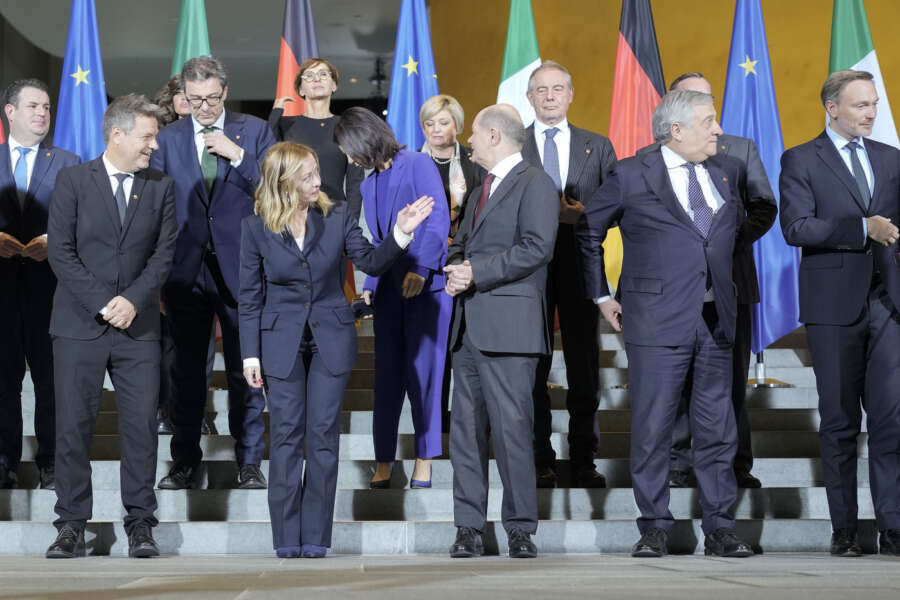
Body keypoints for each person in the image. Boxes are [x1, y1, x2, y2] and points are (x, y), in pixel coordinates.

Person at [578, 90, 753, 558]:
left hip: (716, 320)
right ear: (676, 130)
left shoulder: (727, 170)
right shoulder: (632, 173)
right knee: (654, 428)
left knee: (718, 430)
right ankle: (654, 526)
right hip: (655, 319)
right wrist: (601, 296)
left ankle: (720, 528)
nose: (718, 130)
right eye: (708, 121)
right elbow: (588, 231)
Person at [239, 142, 434, 559]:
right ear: (284, 183)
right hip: (280, 341)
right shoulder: (254, 228)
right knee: (286, 435)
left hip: (330, 336)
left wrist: (401, 233)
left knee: (323, 435)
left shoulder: (337, 214)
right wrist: (249, 354)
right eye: (307, 176)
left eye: (316, 172)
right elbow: (249, 296)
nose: (318, 182)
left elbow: (371, 261)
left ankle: (315, 537)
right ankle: (286, 538)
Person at [45, 94, 176, 558]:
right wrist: (105, 303)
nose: (154, 146)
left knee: (141, 429)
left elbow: (164, 254)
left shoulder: (161, 186)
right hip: (78, 325)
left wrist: (132, 301)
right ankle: (70, 526)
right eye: (147, 137)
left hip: (138, 329)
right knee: (72, 428)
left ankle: (140, 525)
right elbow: (60, 252)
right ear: (117, 134)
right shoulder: (73, 180)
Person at [780, 69, 900, 557]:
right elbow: (796, 227)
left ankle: (893, 527)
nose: (871, 113)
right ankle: (845, 529)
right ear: (832, 108)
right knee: (840, 420)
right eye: (860, 105)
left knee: (891, 420)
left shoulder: (891, 158)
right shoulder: (801, 159)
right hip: (832, 308)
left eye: (874, 104)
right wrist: (861, 228)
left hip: (888, 305)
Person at [151, 56, 276, 491]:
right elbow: (156, 209)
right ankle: (185, 461)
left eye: (211, 99)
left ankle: (249, 461)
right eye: (194, 99)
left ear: (225, 92)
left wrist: (237, 155)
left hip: (242, 268)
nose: (203, 108)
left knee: (247, 369)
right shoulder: (167, 139)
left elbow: (275, 189)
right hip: (184, 272)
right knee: (186, 373)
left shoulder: (254, 131)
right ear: (183, 96)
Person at [444, 104, 558, 559]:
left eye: (474, 132)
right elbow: (460, 246)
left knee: (513, 431)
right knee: (465, 434)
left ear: (494, 135)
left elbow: (537, 247)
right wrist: (456, 268)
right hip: (467, 329)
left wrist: (476, 272)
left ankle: (520, 529)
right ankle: (468, 528)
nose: (468, 140)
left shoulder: (536, 183)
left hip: (510, 329)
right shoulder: (479, 190)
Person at [659, 72, 777, 490]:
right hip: (675, 289)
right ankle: (678, 463)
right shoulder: (654, 155)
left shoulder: (739, 149)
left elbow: (764, 207)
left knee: (731, 378)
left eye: (707, 98)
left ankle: (736, 464)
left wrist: (725, 243)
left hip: (732, 283)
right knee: (678, 380)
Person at [334, 107, 451, 489]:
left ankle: (424, 460)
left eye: (350, 151)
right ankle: (383, 459)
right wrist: (370, 282)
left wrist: (424, 269)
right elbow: (379, 240)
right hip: (388, 291)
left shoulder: (417, 163)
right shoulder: (368, 185)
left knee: (424, 378)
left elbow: (437, 219)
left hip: (425, 289)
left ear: (365, 140)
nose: (350, 160)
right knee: (385, 380)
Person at [521, 61, 617, 489]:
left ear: (570, 94)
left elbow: (619, 206)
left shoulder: (599, 146)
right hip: (528, 270)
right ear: (529, 97)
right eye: (541, 90)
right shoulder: (513, 145)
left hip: (581, 263)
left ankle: (583, 459)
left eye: (557, 89)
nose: (549, 96)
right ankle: (540, 457)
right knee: (533, 366)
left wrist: (584, 218)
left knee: (584, 366)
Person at [0, 78, 79, 490]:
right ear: (10, 111)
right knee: (3, 382)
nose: (42, 113)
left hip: (50, 292)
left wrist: (54, 241)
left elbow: (85, 221)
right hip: (1, 294)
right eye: (33, 106)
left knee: (51, 383)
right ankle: (4, 462)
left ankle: (51, 462)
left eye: (46, 107)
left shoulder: (68, 162)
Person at [268, 58, 364, 220]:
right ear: (301, 89)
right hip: (293, 215)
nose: (317, 79)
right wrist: (276, 112)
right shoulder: (285, 125)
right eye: (309, 76)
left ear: (334, 85)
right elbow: (267, 157)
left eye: (323, 74)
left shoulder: (347, 126)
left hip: (334, 215)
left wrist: (351, 222)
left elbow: (355, 182)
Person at [419, 94, 483, 236]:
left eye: (443, 123)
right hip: (421, 241)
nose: (436, 129)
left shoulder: (476, 160)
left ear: (457, 125)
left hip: (466, 241)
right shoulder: (411, 162)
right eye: (429, 124)